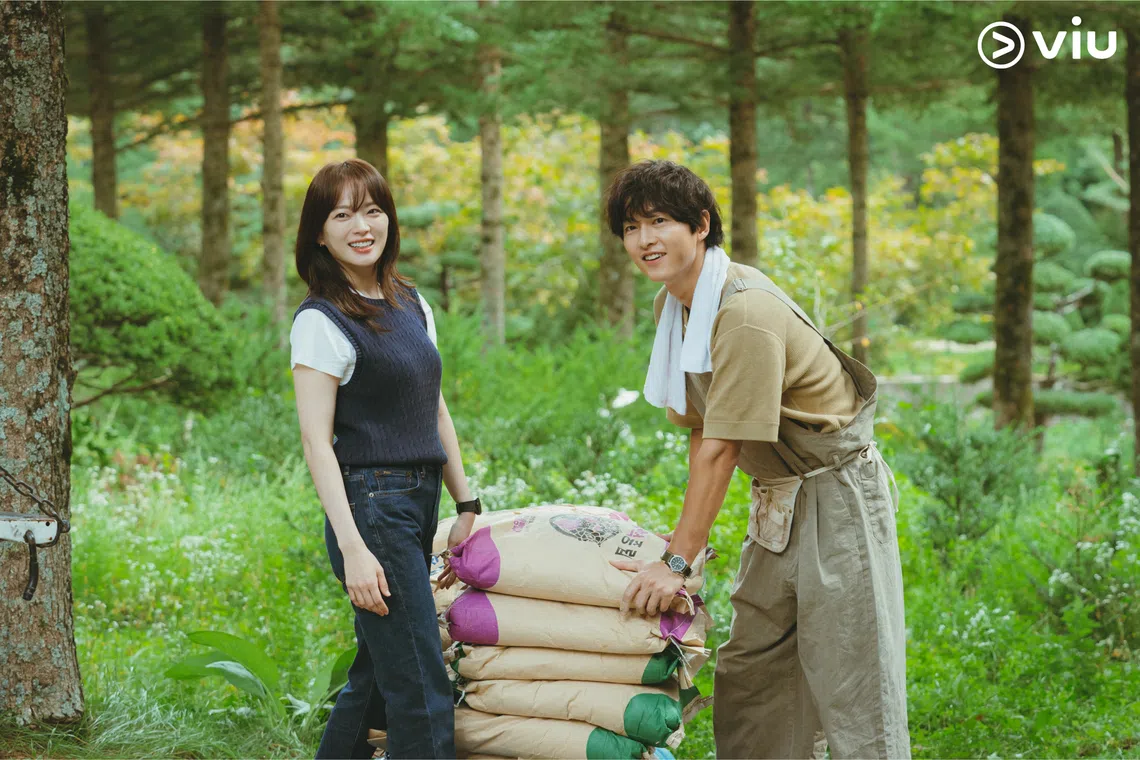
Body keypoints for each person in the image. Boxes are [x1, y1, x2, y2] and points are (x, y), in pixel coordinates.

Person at [605, 160, 909, 759]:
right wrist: (682, 549)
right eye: (631, 227)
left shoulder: (743, 311)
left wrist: (677, 561)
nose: (644, 240)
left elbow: (724, 447)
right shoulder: (678, 307)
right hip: (776, 497)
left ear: (701, 225)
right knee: (754, 677)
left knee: (853, 683)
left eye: (659, 222)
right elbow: (703, 430)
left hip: (836, 495)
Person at [290, 158, 480, 759]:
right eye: (342, 215)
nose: (362, 226)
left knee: (376, 673)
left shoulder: (411, 303)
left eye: (372, 210)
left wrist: (466, 502)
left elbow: (435, 408)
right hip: (370, 509)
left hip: (418, 501)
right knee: (421, 683)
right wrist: (353, 548)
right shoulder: (320, 321)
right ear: (320, 234)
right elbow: (317, 443)